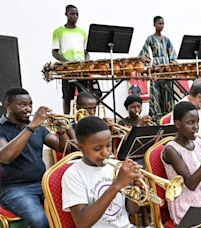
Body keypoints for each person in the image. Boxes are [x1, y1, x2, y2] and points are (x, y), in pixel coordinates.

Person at [0, 88, 71, 228]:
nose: (28, 109)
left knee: (70, 209)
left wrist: (61, 132)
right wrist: (31, 126)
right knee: (39, 220)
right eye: (22, 105)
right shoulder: (2, 128)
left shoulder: (38, 128)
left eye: (30, 104)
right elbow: (5, 157)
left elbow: (62, 148)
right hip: (14, 188)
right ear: (8, 105)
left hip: (43, 183)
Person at [62, 116, 142, 227]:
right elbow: (82, 223)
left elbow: (132, 210)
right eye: (97, 148)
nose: (105, 153)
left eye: (108, 145)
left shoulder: (115, 165)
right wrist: (117, 185)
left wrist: (135, 188)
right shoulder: (73, 175)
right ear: (81, 147)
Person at [162, 102, 201, 224]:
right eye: (190, 123)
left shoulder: (197, 143)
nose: (196, 127)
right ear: (178, 124)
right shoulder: (171, 150)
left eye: (197, 122)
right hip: (185, 201)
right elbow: (191, 184)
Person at [52, 5, 90, 114]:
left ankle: (84, 119)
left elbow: (86, 52)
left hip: (82, 70)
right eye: (72, 14)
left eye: (77, 14)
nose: (75, 16)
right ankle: (67, 121)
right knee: (67, 98)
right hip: (67, 69)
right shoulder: (58, 32)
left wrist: (86, 62)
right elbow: (54, 52)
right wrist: (66, 62)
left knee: (84, 97)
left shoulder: (82, 33)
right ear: (66, 14)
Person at [139, 16, 178, 121]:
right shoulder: (150, 39)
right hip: (156, 68)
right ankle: (157, 117)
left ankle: (169, 116)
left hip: (166, 69)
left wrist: (172, 63)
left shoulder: (166, 40)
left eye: (163, 24)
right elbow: (143, 54)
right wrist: (148, 64)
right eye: (159, 23)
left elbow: (173, 54)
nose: (161, 25)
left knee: (168, 93)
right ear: (154, 24)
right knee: (156, 93)